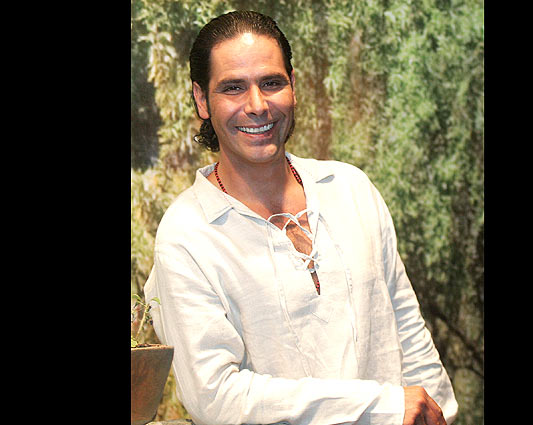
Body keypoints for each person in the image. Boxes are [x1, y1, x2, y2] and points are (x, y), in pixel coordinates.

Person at [144, 10, 458, 425]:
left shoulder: (349, 188)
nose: (257, 105)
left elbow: (407, 331)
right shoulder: (186, 234)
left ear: (293, 85)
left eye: (271, 83)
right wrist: (380, 407)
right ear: (202, 100)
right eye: (233, 87)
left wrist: (438, 413)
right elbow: (215, 396)